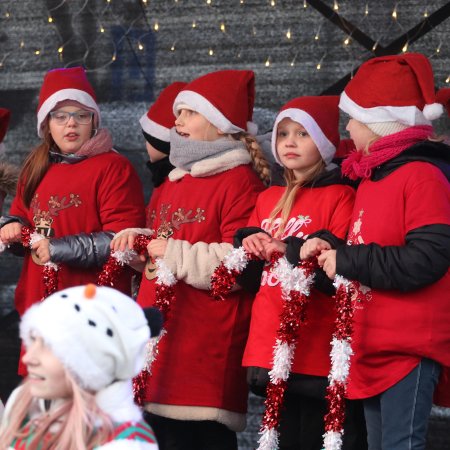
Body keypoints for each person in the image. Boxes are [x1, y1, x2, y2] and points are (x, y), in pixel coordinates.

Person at [111, 69, 270, 450]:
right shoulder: (172, 183)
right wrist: (139, 250)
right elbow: (164, 251)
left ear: (220, 124)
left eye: (188, 113)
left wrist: (173, 253)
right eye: (178, 113)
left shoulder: (240, 182)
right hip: (159, 350)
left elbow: (240, 264)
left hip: (204, 351)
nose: (177, 121)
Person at [317, 53, 450, 450]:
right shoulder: (373, 177)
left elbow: (426, 258)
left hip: (406, 346)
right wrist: (331, 249)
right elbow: (372, 246)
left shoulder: (422, 176)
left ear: (379, 122)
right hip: (372, 342)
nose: (347, 128)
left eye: (354, 118)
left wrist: (349, 259)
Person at [236, 96, 366, 450]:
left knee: (315, 437)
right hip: (269, 342)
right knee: (279, 436)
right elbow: (249, 278)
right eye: (283, 134)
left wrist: (287, 248)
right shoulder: (268, 198)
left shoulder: (341, 195)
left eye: (303, 134)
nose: (290, 142)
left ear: (323, 143)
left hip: (314, 346)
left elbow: (335, 269)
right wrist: (248, 247)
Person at [0, 66, 146, 330]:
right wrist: (12, 228)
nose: (71, 123)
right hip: (39, 307)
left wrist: (58, 248)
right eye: (60, 116)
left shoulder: (113, 167)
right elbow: (22, 218)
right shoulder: (35, 166)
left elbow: (122, 239)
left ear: (93, 121)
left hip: (89, 310)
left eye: (81, 115)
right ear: (46, 125)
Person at [0, 283, 161, 449]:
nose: (28, 358)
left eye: (49, 345)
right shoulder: (25, 406)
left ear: (93, 361)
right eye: (33, 340)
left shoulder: (124, 444)